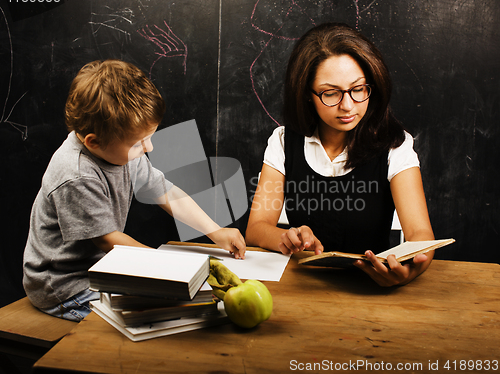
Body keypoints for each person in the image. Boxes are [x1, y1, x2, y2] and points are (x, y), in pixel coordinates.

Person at [23, 59, 246, 321]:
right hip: (66, 285)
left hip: (103, 270)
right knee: (157, 315)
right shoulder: (76, 174)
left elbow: (167, 192)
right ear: (94, 142)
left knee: (180, 306)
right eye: (140, 142)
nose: (149, 148)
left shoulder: (123, 150)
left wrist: (215, 231)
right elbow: (109, 240)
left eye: (149, 137)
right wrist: (174, 268)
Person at [246, 23, 435, 287]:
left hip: (372, 287)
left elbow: (420, 234)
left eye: (358, 89)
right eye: (330, 93)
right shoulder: (283, 141)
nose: (347, 106)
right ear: (307, 94)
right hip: (304, 286)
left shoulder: (395, 144)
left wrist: (411, 270)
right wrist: (287, 237)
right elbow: (256, 228)